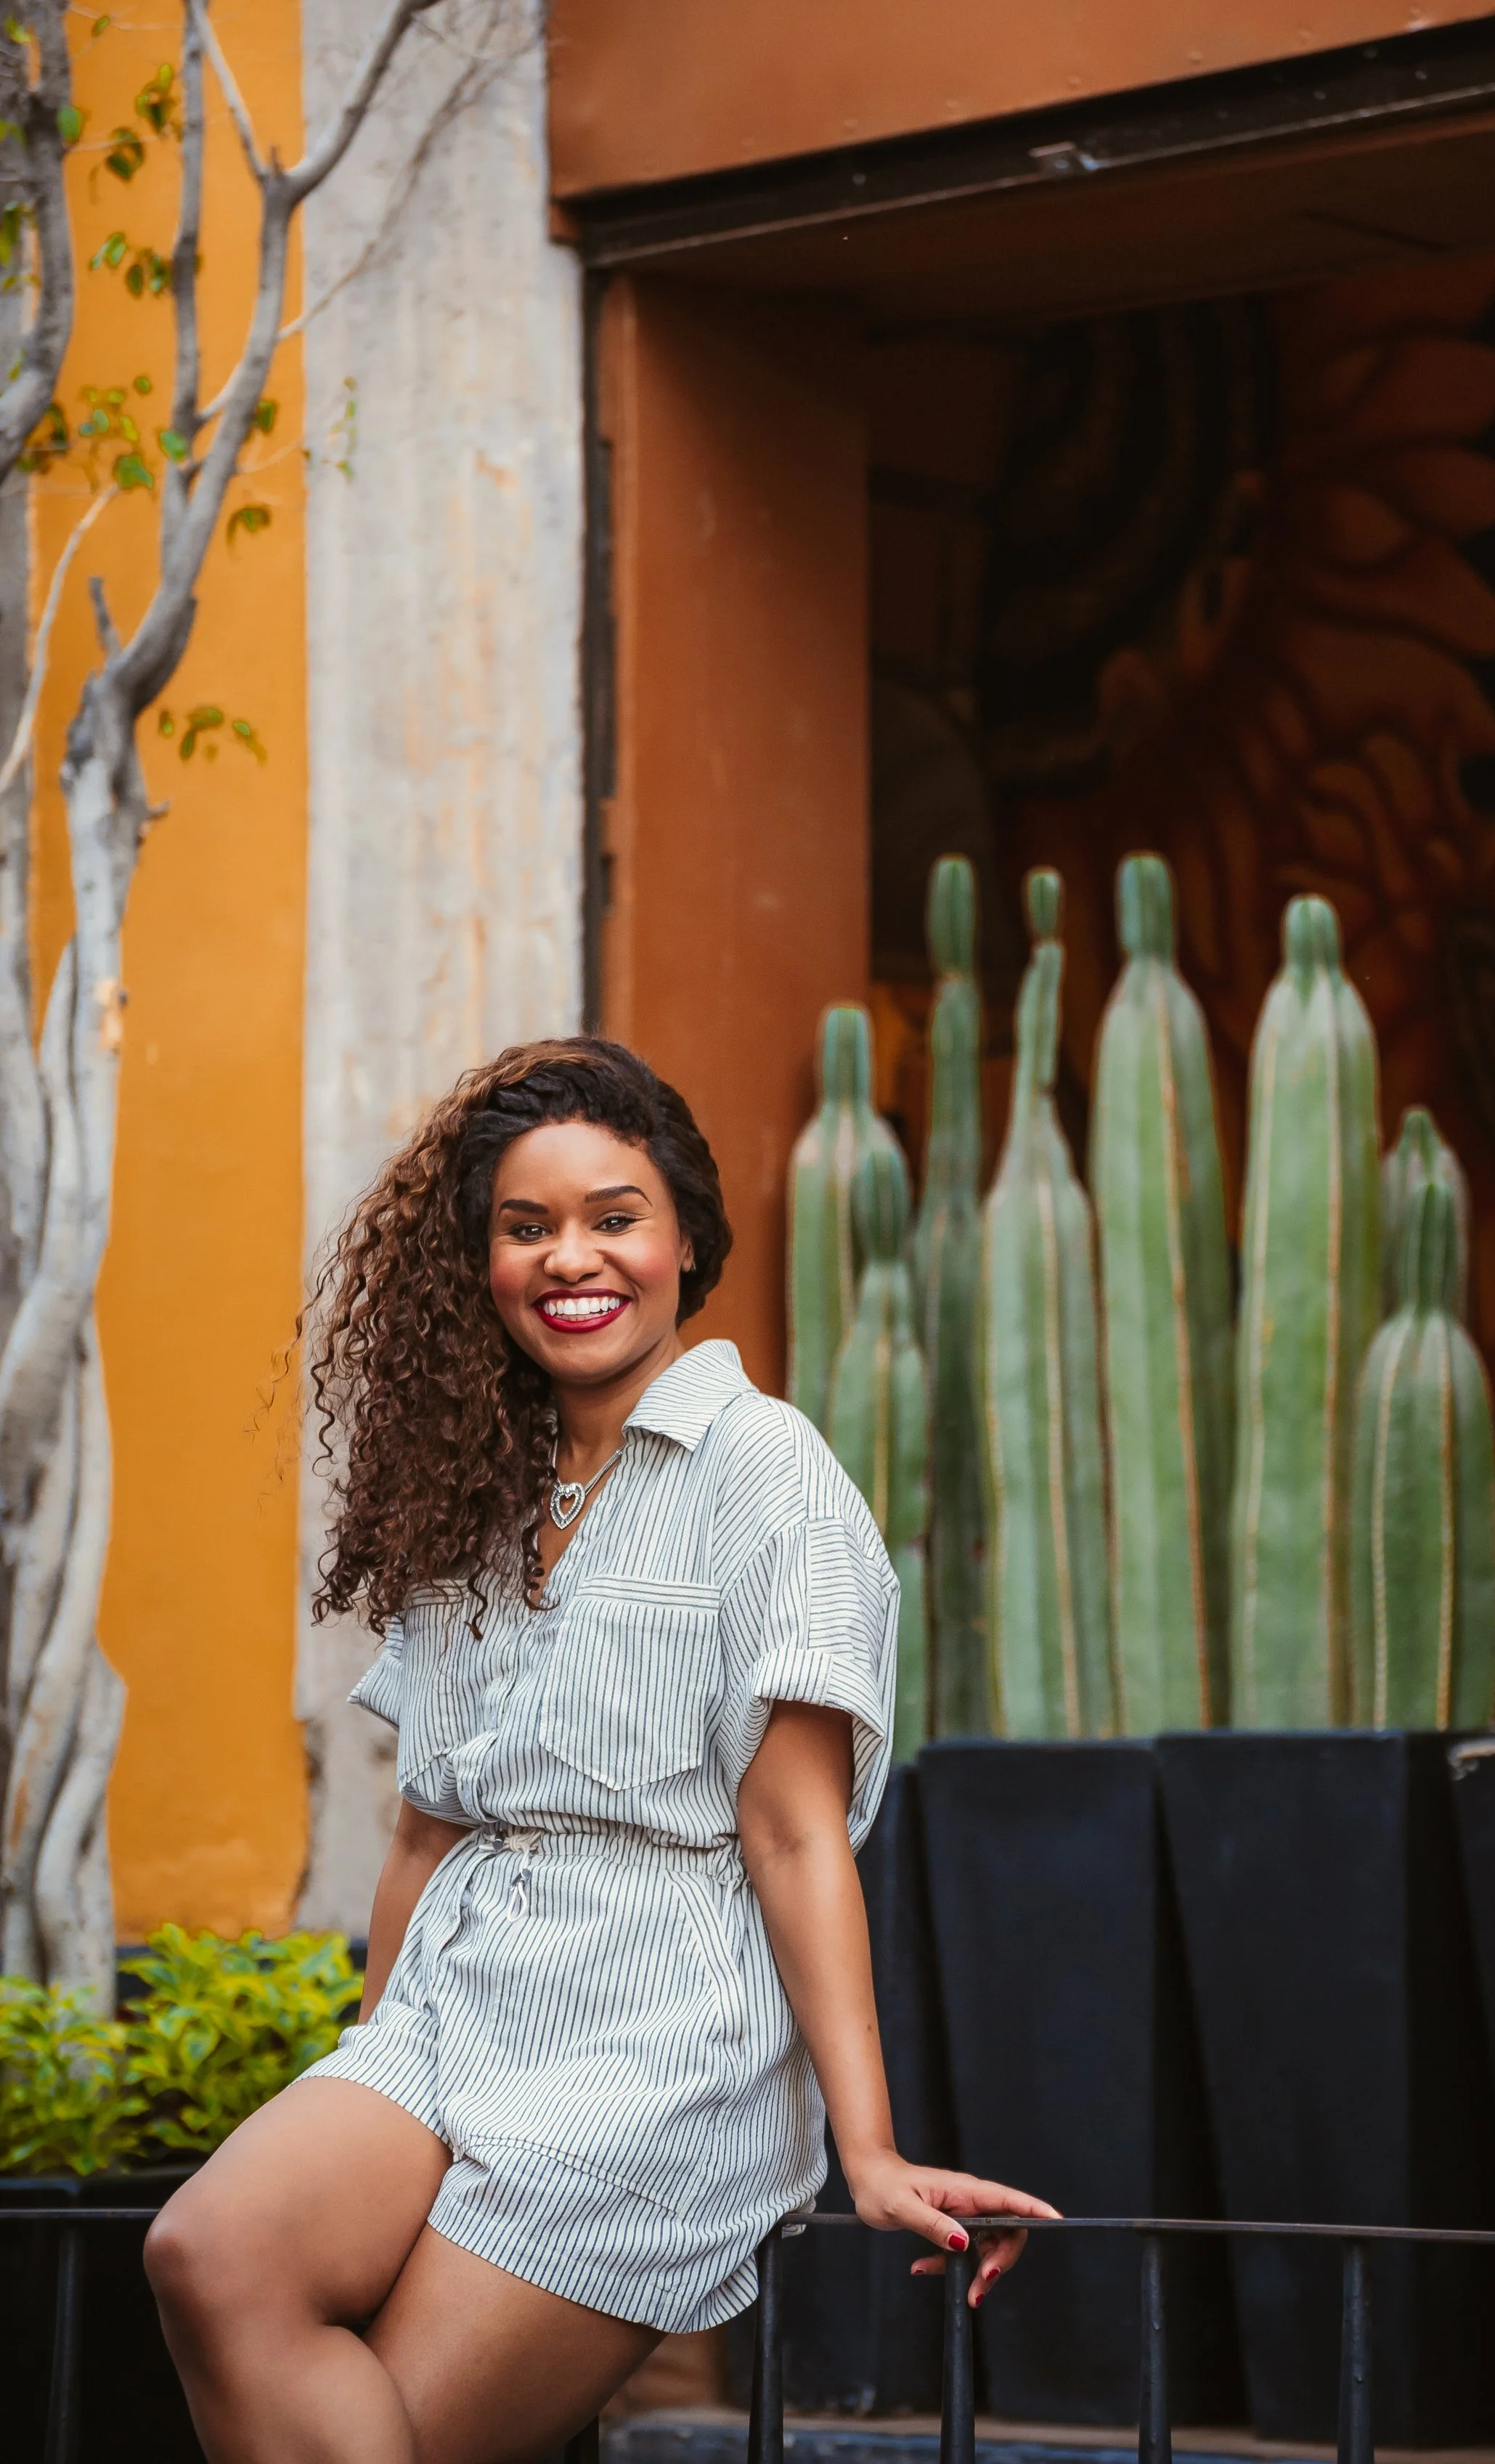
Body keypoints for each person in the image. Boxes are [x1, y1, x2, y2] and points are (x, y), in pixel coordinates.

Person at [146, 1037, 1054, 2464]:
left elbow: (796, 1832)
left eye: (612, 1216)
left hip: (652, 2041)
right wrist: (365, 2064)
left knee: (401, 2434)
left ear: (683, 1235)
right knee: (208, 2252)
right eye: (526, 1226)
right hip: (452, 2007)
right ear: (481, 1262)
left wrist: (864, 2147)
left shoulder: (764, 1471)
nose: (571, 1257)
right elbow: (423, 1828)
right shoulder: (476, 1481)